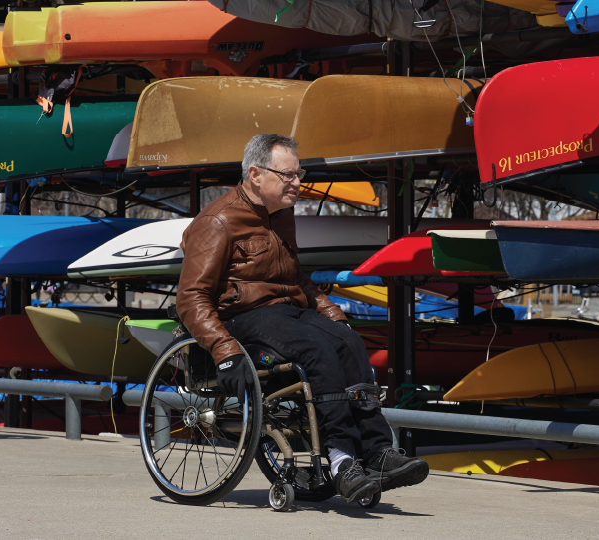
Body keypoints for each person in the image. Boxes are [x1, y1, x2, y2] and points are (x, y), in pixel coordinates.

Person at [176, 134, 428, 503]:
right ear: (256, 174)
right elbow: (191, 297)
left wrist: (335, 317)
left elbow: (298, 281)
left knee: (349, 341)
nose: (298, 182)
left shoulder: (281, 216)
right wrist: (224, 351)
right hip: (241, 319)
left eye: (300, 173)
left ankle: (376, 450)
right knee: (315, 350)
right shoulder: (217, 221)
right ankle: (342, 460)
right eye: (289, 175)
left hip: (286, 312)